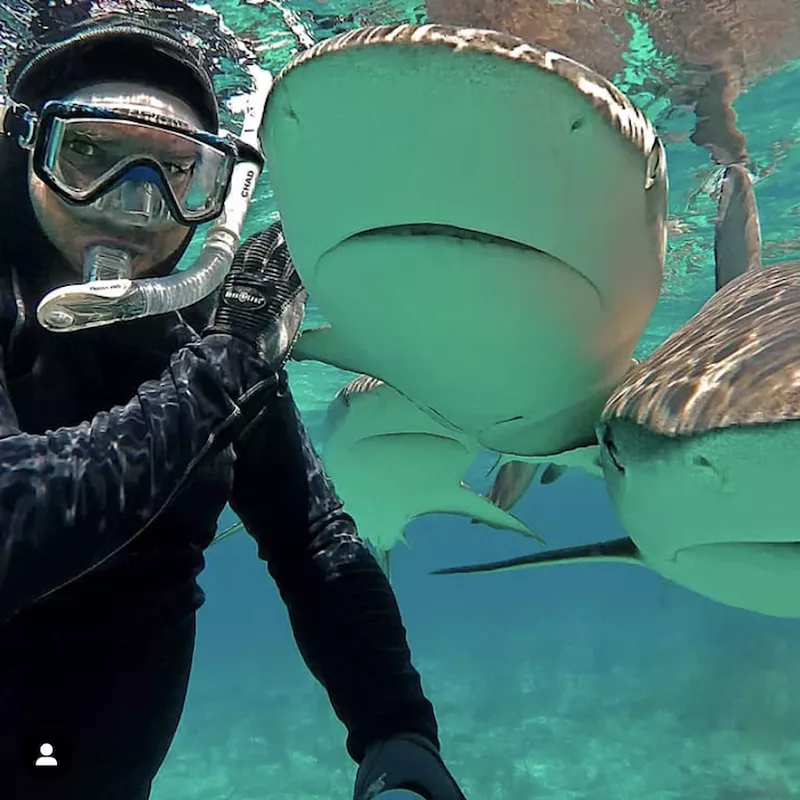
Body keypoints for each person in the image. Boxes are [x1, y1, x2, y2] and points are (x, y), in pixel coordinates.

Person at [0, 16, 467, 800]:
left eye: (176, 174)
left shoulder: (212, 331)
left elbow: (313, 541)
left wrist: (396, 728)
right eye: (87, 153)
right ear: (25, 152)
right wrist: (234, 359)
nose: (132, 207)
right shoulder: (227, 350)